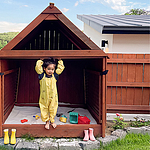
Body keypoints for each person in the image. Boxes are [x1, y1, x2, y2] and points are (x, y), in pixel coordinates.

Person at [35, 57, 65, 129]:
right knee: (44, 108)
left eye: (52, 69)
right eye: (48, 69)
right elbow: (37, 68)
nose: (50, 71)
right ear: (44, 69)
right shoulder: (42, 75)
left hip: (53, 96)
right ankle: (47, 122)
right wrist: (40, 60)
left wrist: (60, 61)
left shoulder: (55, 76)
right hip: (44, 96)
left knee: (53, 108)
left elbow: (61, 68)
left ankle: (52, 121)